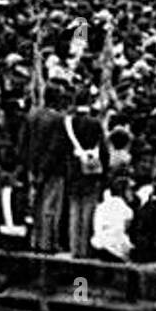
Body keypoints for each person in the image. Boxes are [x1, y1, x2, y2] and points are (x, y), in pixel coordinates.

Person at [17, 83, 70, 253]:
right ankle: (47, 243)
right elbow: (54, 148)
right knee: (50, 207)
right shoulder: (58, 119)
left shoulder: (31, 115)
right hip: (51, 170)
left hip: (32, 166)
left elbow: (22, 143)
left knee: (35, 205)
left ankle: (35, 240)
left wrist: (29, 166)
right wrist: (43, 170)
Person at [64, 90, 109, 259]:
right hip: (91, 171)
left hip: (73, 170)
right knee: (89, 210)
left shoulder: (68, 123)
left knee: (74, 210)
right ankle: (85, 249)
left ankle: (74, 248)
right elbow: (103, 150)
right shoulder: (95, 123)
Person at [91, 172, 135, 262]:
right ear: (123, 191)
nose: (132, 192)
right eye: (129, 189)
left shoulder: (101, 206)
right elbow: (125, 231)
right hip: (115, 249)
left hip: (98, 246)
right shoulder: (127, 210)